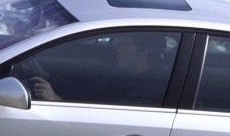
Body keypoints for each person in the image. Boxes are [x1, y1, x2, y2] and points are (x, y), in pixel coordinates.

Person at [26, 33, 170, 106]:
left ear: (144, 53)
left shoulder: (149, 89)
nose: (118, 50)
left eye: (124, 45)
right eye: (118, 44)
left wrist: (56, 100)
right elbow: (88, 93)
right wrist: (48, 76)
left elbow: (106, 118)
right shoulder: (123, 73)